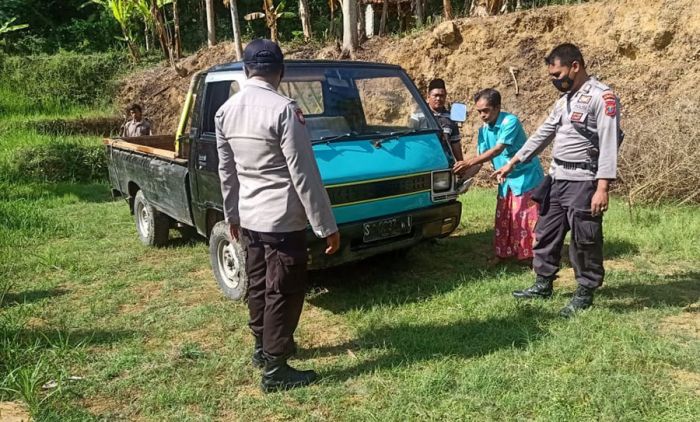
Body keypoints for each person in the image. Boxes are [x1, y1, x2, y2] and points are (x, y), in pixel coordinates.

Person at [215, 39, 341, 392]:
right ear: (280, 72)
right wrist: (325, 225)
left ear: (245, 69)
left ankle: (262, 347)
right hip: (282, 220)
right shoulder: (284, 110)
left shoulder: (226, 111)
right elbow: (303, 174)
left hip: (250, 217)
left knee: (257, 284)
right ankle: (275, 368)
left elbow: (228, 173)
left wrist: (232, 217)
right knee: (283, 289)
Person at [493, 43, 622, 317]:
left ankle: (585, 292)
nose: (555, 80)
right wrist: (513, 161)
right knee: (545, 234)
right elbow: (542, 134)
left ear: (575, 66)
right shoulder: (564, 101)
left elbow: (609, 144)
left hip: (584, 180)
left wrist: (602, 187)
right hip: (557, 178)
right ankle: (543, 283)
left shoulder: (603, 97)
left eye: (557, 74)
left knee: (584, 240)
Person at [453, 88, 543, 261]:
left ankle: (533, 257)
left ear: (497, 107)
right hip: (506, 179)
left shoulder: (510, 122)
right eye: (479, 111)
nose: (482, 115)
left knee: (526, 218)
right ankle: (504, 254)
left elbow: (497, 150)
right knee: (505, 217)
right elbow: (480, 161)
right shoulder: (484, 131)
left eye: (486, 110)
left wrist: (468, 162)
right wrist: (461, 179)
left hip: (525, 178)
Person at [410, 78, 464, 160]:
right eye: (435, 95)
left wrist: (461, 163)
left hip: (445, 163)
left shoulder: (451, 118)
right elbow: (412, 141)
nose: (438, 99)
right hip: (422, 161)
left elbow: (455, 143)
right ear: (428, 97)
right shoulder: (417, 116)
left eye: (441, 96)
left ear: (445, 96)